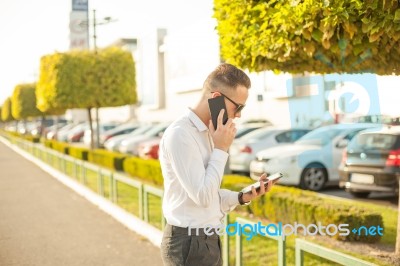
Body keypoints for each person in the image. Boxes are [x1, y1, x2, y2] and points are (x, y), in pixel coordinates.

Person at [159, 63, 277, 266]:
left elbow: (209, 194)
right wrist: (221, 149)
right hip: (189, 244)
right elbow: (203, 197)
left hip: (205, 240)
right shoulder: (181, 135)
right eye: (238, 107)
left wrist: (241, 197)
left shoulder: (210, 133)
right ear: (216, 99)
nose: (239, 114)